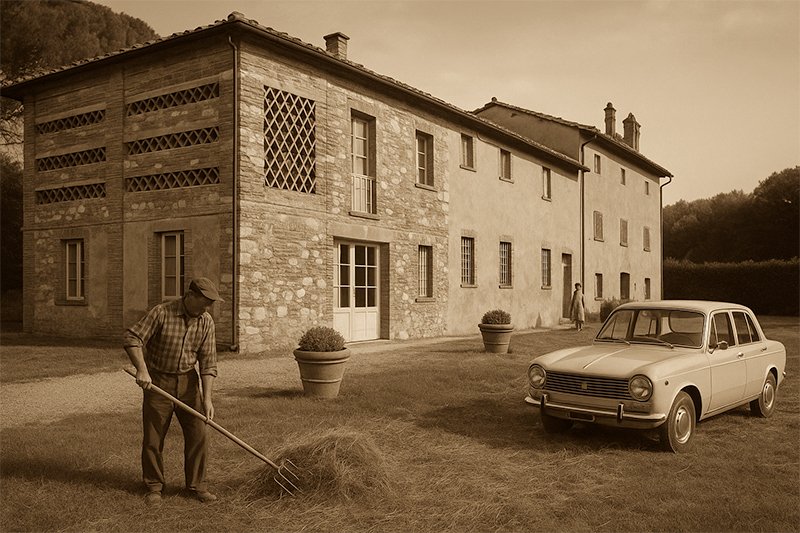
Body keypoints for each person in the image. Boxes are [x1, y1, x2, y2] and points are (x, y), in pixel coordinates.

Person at [123, 277, 223, 505]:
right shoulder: (161, 313)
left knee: (199, 433)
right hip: (159, 382)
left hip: (189, 384)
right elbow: (132, 337)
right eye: (205, 302)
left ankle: (197, 485)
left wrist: (207, 399)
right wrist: (142, 370)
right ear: (190, 296)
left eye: (210, 304)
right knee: (154, 436)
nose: (207, 308)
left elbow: (208, 363)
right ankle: (154, 487)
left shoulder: (206, 322)